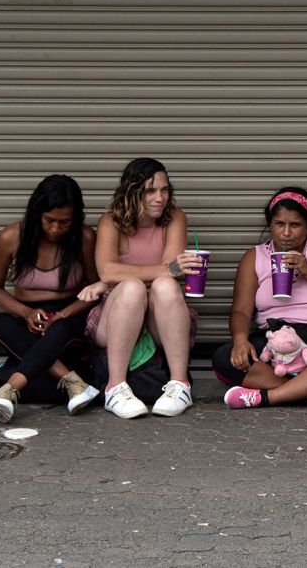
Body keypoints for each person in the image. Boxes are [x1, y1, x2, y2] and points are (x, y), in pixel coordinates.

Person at [213, 187, 307, 411]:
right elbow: (241, 311)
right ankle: (306, 391)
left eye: (295, 225)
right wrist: (240, 340)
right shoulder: (255, 257)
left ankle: (267, 397)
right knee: (225, 357)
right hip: (273, 341)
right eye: (279, 224)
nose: (286, 233)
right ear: (270, 224)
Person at [81, 158, 202, 419]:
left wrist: (112, 280)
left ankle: (180, 386)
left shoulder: (175, 218)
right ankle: (116, 388)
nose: (160, 198)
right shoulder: (110, 221)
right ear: (132, 191)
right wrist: (111, 279)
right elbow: (109, 271)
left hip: (160, 318)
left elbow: (170, 272)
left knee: (165, 286)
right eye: (150, 190)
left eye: (165, 189)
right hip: (117, 316)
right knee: (134, 288)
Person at [0, 175, 101, 423]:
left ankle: (9, 388)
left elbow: (96, 289)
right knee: (0, 323)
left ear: (75, 218)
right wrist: (25, 313)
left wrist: (63, 314)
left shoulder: (85, 238)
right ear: (37, 213)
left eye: (65, 222)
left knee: (60, 330)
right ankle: (73, 382)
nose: (56, 229)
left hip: (70, 317)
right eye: (49, 221)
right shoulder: (11, 237)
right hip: (28, 317)